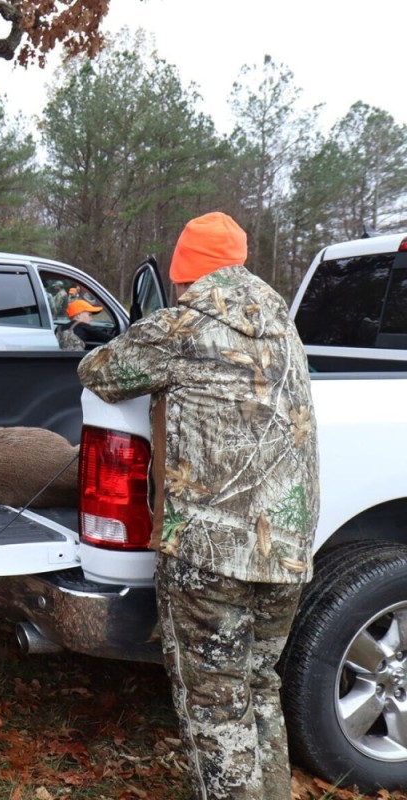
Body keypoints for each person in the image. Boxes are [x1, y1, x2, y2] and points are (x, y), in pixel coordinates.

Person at [77, 211, 319, 799]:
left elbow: (100, 374)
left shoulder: (182, 326)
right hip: (287, 552)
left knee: (216, 709)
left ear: (184, 273)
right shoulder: (284, 322)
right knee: (259, 686)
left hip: (211, 557)